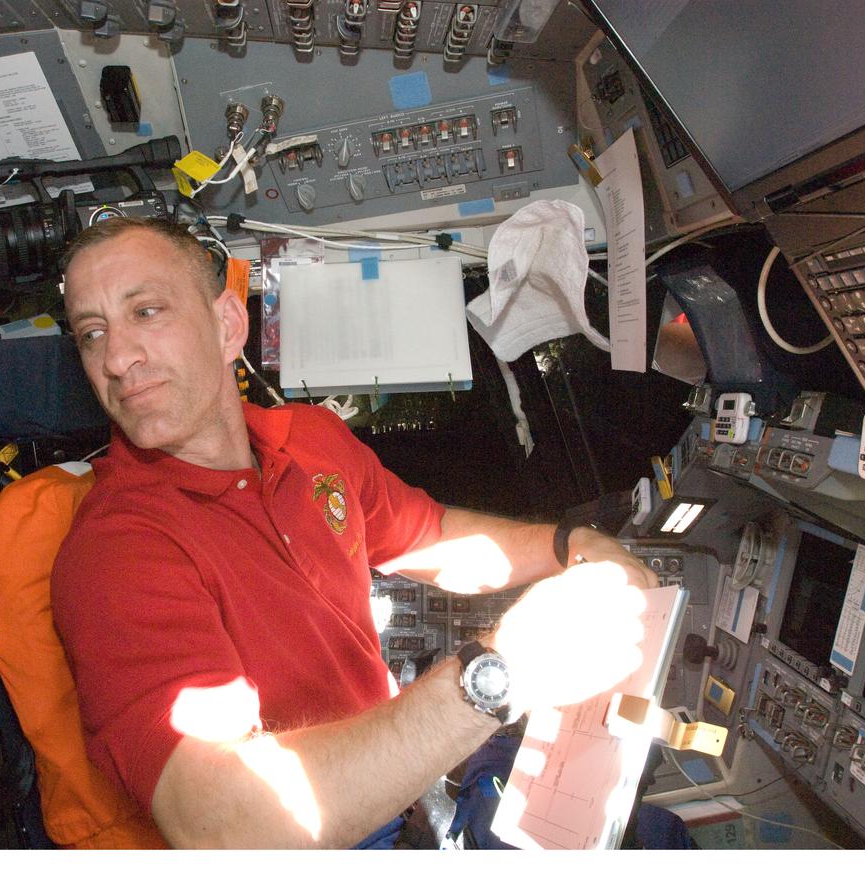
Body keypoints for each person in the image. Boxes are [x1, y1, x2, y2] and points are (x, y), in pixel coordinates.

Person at [51, 217, 659, 849]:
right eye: (92, 334)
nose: (116, 359)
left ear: (228, 325)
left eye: (146, 312)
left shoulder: (309, 439)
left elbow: (434, 536)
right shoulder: (115, 554)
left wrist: (568, 545)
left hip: (400, 782)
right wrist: (504, 672)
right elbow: (224, 825)